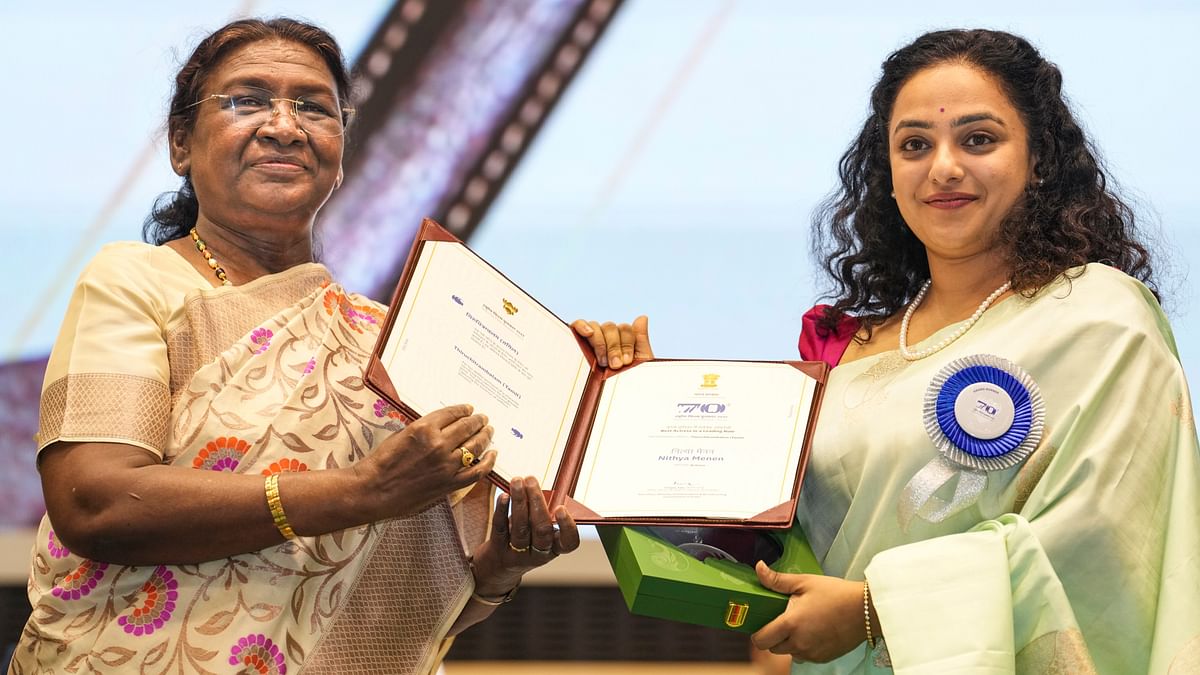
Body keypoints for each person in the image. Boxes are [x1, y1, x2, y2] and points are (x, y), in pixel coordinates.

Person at [576, 29, 1200, 673]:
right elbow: (768, 555)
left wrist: (879, 607)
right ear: (890, 175)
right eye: (915, 146)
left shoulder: (1098, 318)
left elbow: (1103, 539)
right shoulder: (848, 348)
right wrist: (641, 410)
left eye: (978, 139)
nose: (944, 167)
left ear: (1039, 159)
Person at [9, 18, 577, 675]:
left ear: (339, 147)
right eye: (247, 100)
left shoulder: (392, 339)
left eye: (314, 106)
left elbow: (402, 596)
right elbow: (95, 501)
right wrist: (356, 491)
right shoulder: (137, 282)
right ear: (180, 145)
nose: (284, 125)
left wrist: (502, 566)